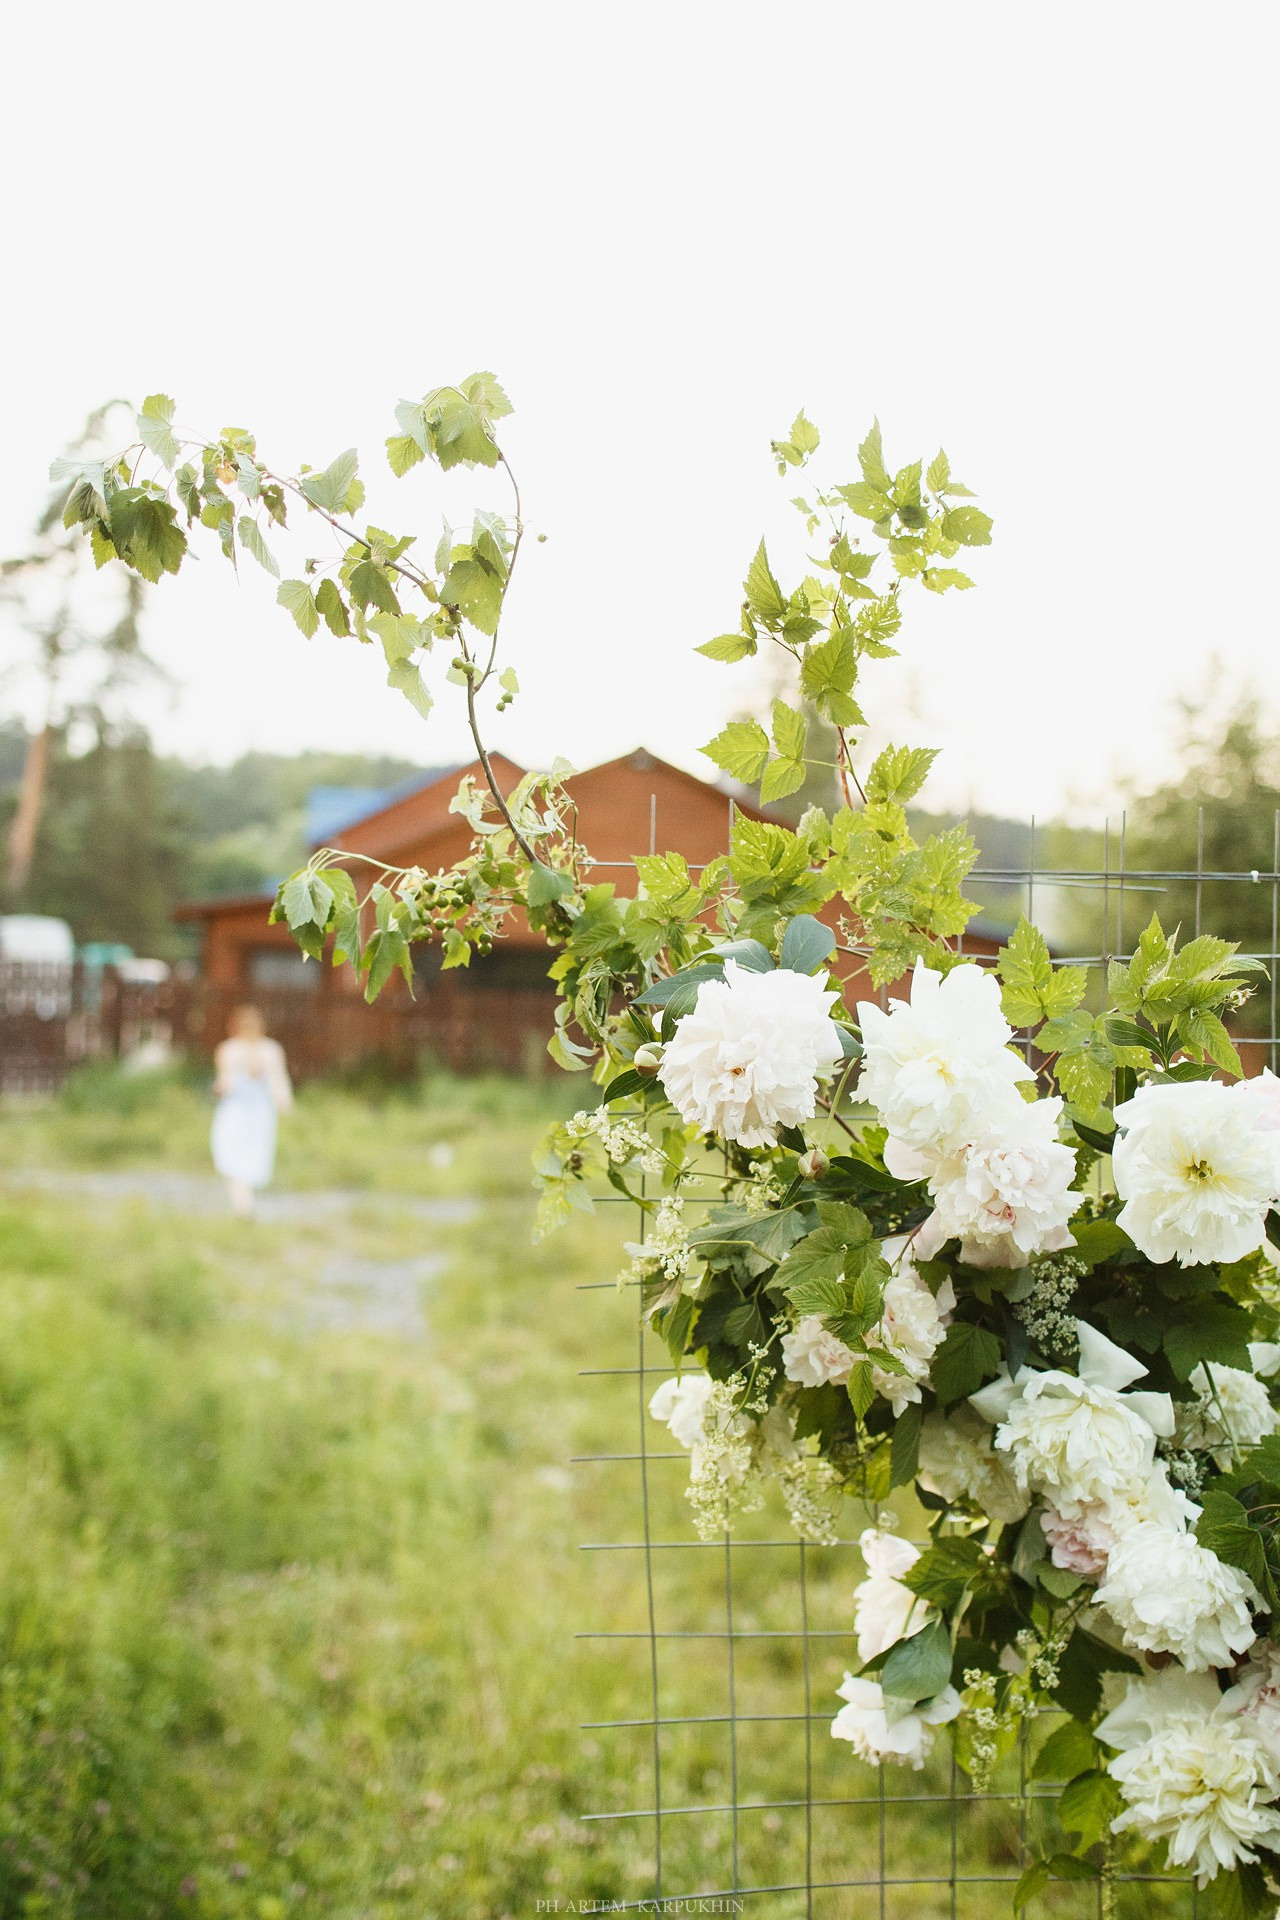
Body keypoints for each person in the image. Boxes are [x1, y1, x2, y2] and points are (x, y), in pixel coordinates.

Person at [211, 1006, 293, 1217]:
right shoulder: (231, 1050)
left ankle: (243, 1204)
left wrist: (284, 1104)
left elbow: (278, 1080)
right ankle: (244, 1203)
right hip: (239, 1110)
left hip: (252, 1111)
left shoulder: (268, 1050)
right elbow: (225, 1081)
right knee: (231, 1155)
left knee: (243, 1158)